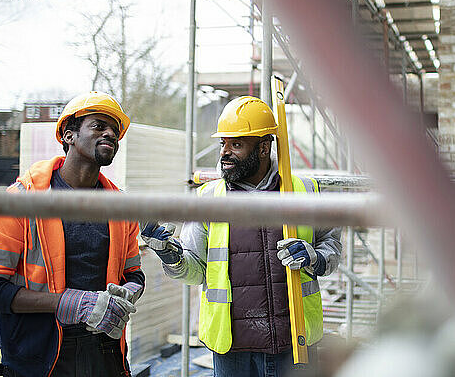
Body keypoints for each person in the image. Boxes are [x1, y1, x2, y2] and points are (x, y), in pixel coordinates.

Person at [142, 96, 341, 377]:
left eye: (236, 144)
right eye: (223, 143)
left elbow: (331, 248)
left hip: (294, 343)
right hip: (233, 352)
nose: (225, 152)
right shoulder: (208, 199)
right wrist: (170, 255)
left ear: (263, 147)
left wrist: (315, 258)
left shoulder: (306, 191)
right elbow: (196, 270)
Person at [0, 92, 145, 377]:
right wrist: (68, 303)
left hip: (106, 351)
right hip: (39, 357)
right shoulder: (20, 202)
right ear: (69, 135)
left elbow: (133, 273)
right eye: (99, 126)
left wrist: (128, 292)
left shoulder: (120, 206)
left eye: (115, 130)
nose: (111, 133)